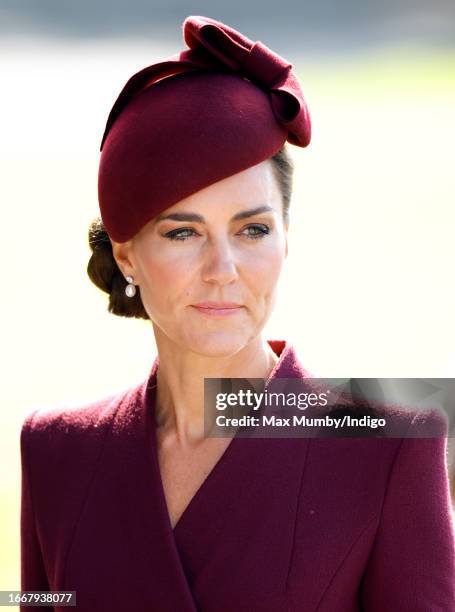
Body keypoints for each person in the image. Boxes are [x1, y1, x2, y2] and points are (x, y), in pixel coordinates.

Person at [20, 15, 455, 612]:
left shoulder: (392, 443)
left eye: (252, 228)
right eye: (182, 232)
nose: (223, 267)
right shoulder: (54, 451)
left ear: (285, 239)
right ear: (127, 256)